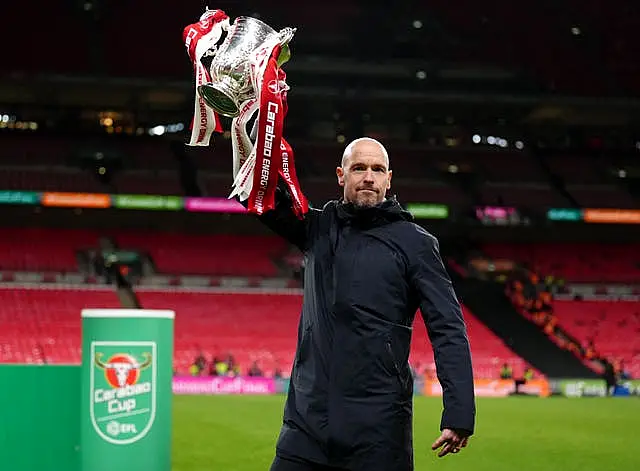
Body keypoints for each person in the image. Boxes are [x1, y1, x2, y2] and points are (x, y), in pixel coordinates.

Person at [246, 137, 476, 471]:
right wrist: (247, 131)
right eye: (359, 168)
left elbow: (448, 329)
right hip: (306, 426)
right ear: (341, 175)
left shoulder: (416, 244)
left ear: (389, 179)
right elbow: (258, 199)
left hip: (379, 433)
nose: (368, 176)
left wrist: (459, 412)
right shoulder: (316, 228)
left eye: (377, 169)